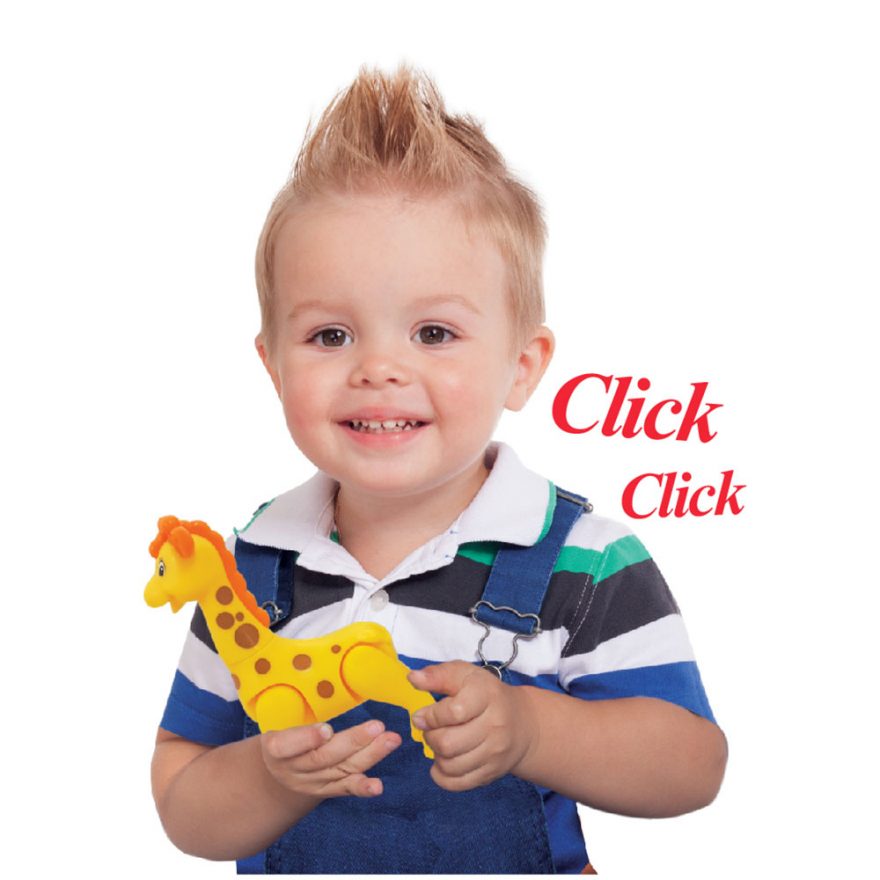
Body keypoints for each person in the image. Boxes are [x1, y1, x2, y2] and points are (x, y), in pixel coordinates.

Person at [150, 65, 727, 874]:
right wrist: (268, 777)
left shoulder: (584, 563)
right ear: (273, 366)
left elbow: (691, 765)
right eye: (330, 336)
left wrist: (534, 731)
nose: (379, 368)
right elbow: (185, 802)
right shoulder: (254, 573)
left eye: (433, 334)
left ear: (522, 367)